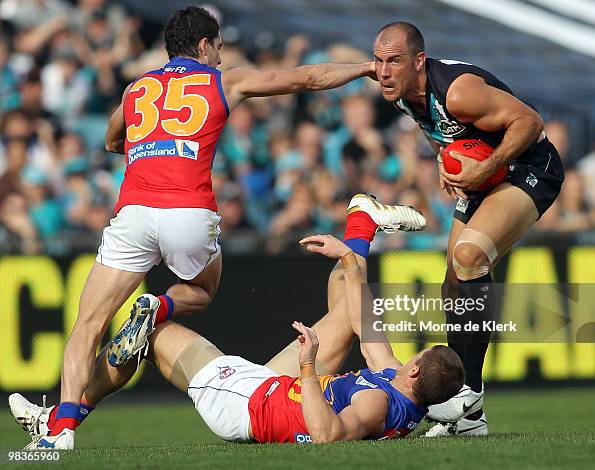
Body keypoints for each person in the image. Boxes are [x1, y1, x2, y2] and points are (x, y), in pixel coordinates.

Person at [45, 5, 379, 449]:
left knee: (88, 324)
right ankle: (160, 308)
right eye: (218, 48)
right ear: (203, 46)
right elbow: (304, 78)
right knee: (200, 292)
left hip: (134, 212)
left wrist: (150, 145)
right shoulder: (224, 81)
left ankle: (61, 430)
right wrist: (363, 68)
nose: (220, 57)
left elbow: (111, 140)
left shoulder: (136, 88)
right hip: (189, 212)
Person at [10, 195, 463, 446]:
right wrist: (350, 256)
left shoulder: (379, 405)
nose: (408, 355)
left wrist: (308, 364)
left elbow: (326, 435)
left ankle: (61, 420)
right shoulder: (395, 384)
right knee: (347, 313)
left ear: (417, 369)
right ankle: (361, 225)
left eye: (416, 355)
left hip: (243, 404)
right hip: (271, 386)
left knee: (151, 334)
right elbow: (367, 326)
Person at [371, 22, 564, 436]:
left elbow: (530, 122)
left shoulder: (458, 91)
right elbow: (440, 135)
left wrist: (486, 167)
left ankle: (468, 390)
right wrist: (447, 162)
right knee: (452, 284)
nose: (383, 71)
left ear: (418, 61)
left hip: (528, 167)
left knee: (470, 257)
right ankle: (471, 420)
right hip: (485, 175)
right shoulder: (402, 96)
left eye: (393, 61)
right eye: (378, 61)